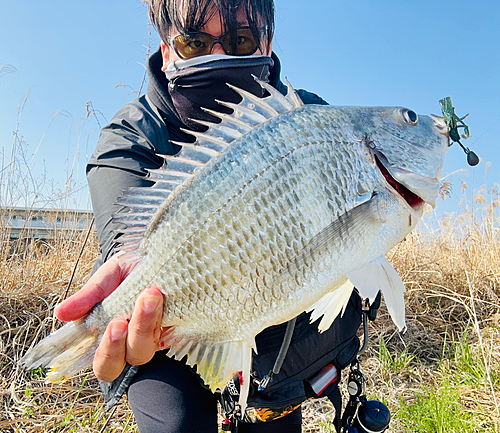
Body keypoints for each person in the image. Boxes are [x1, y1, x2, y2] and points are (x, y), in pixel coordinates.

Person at [54, 1, 355, 432]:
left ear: (266, 42)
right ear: (168, 49)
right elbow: (125, 234)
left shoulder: (310, 120)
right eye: (195, 43)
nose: (220, 56)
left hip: (281, 327)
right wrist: (127, 285)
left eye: (240, 40)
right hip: (173, 329)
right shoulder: (130, 134)